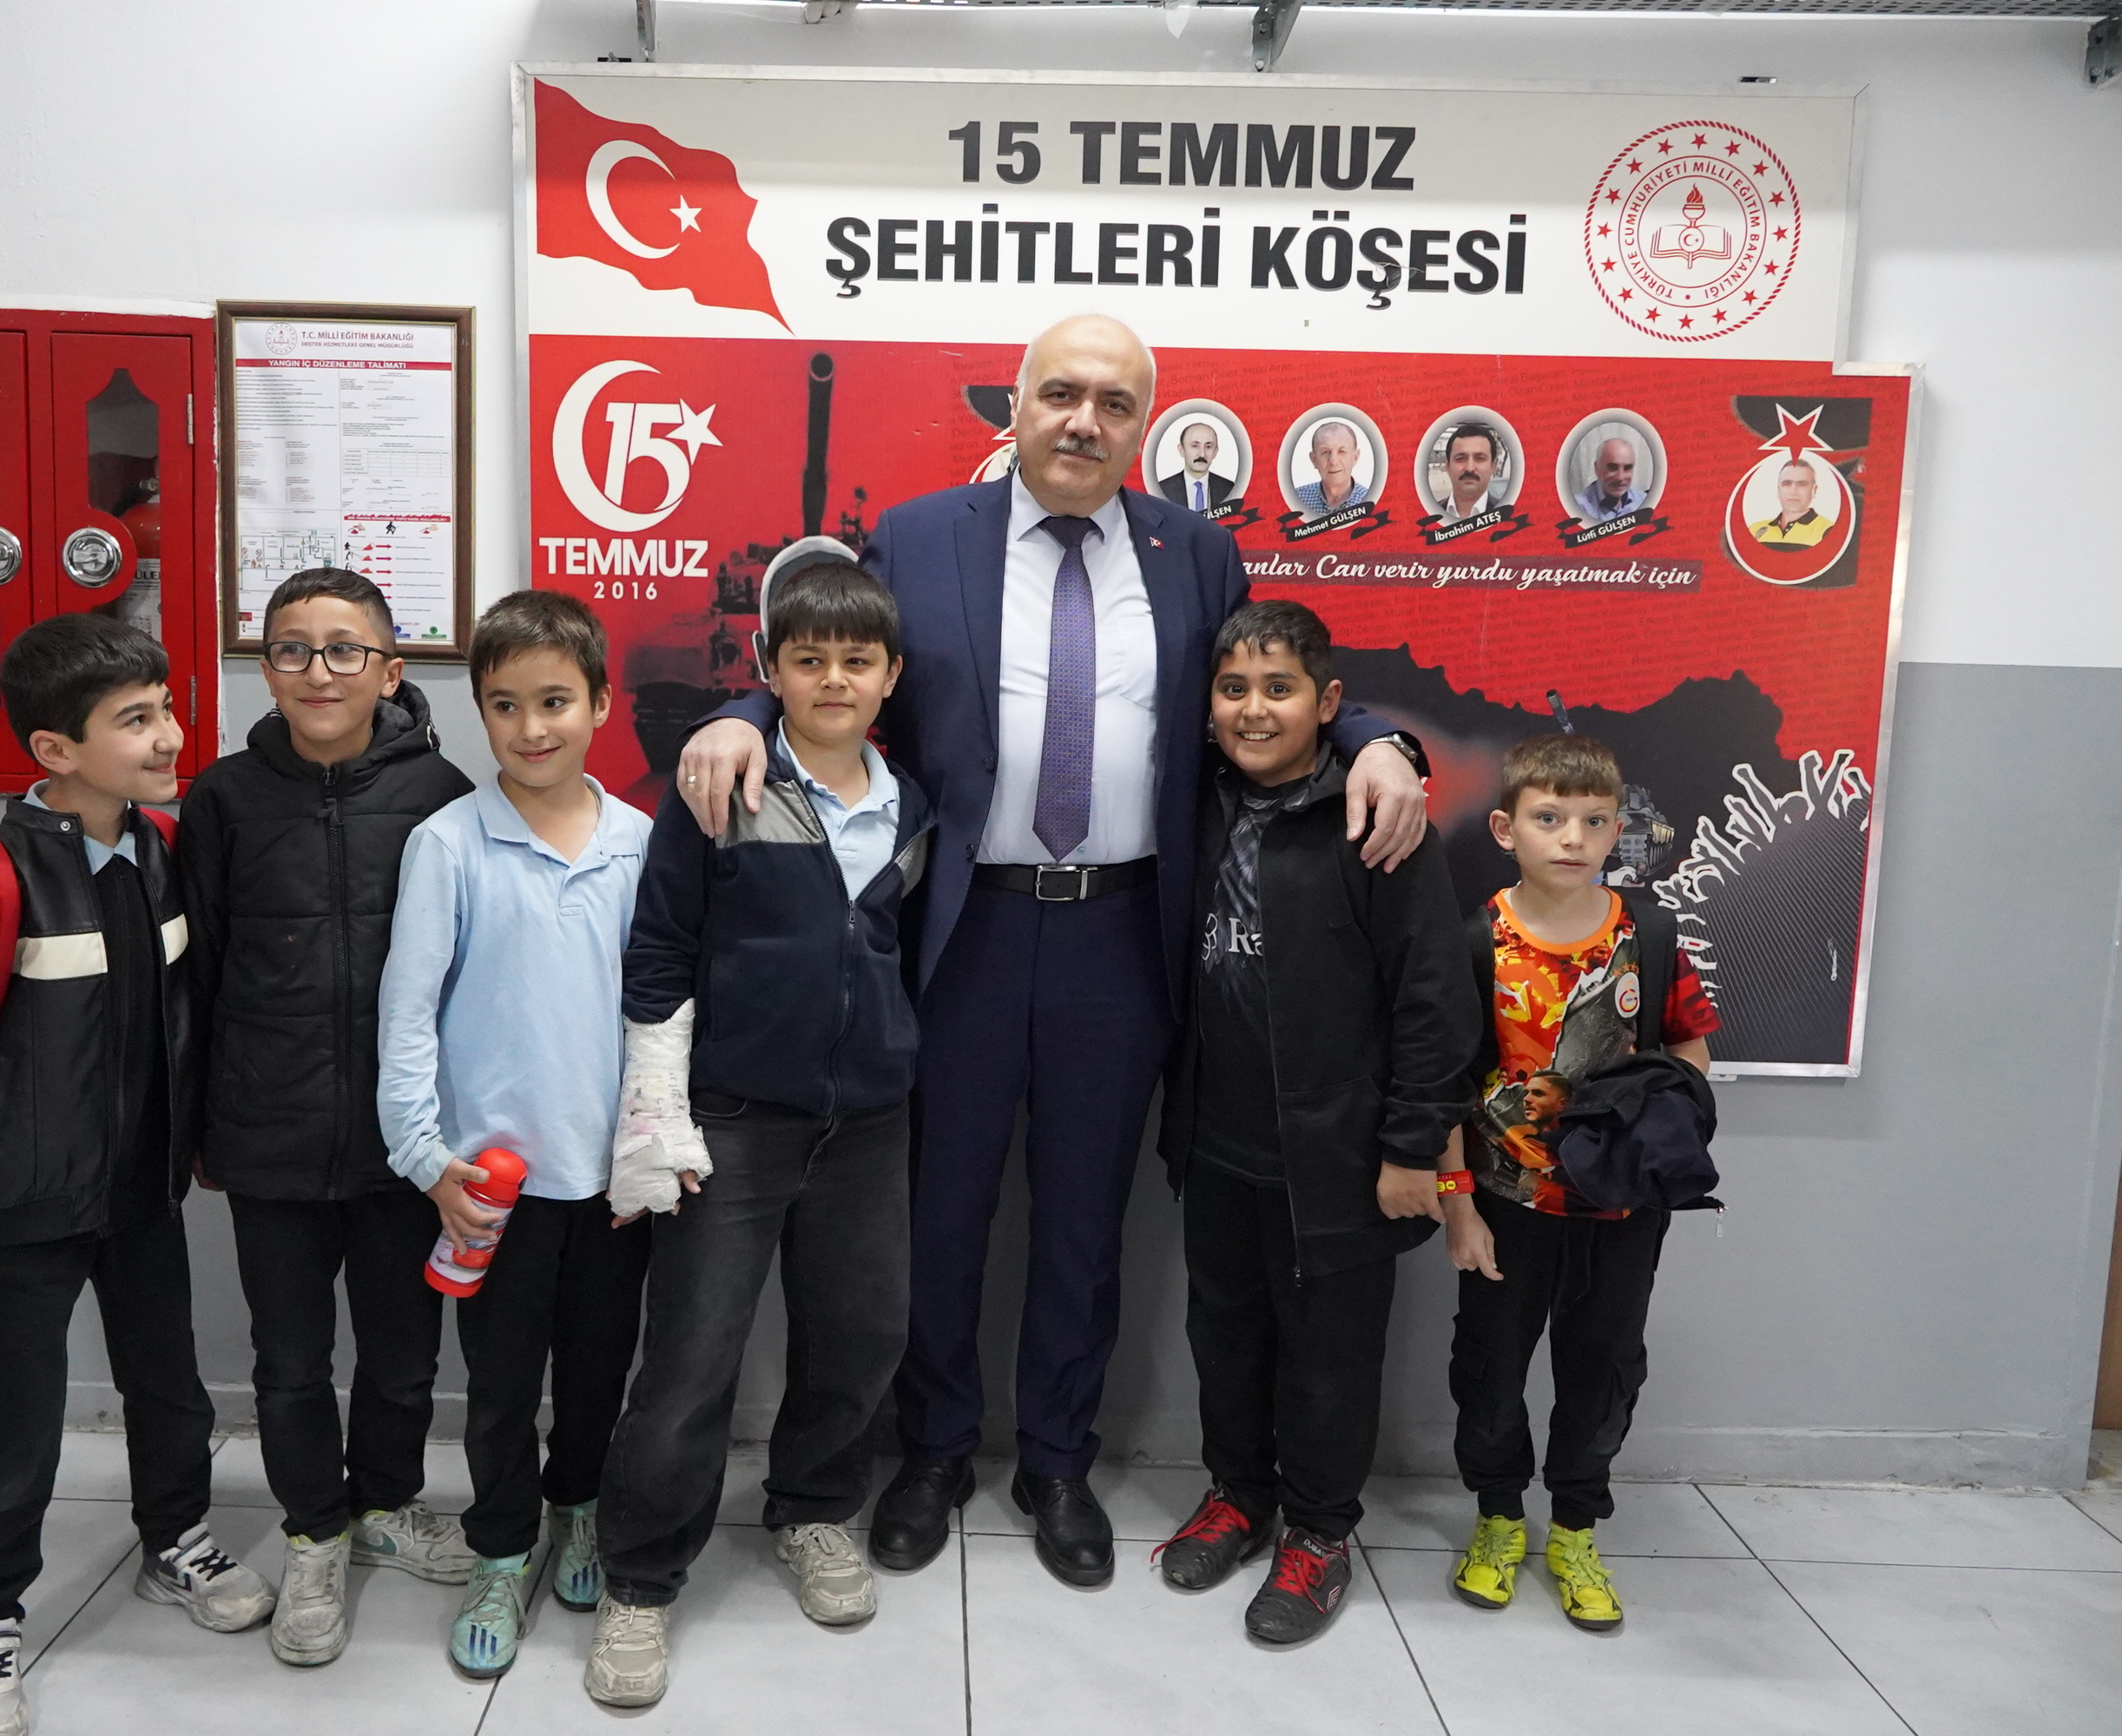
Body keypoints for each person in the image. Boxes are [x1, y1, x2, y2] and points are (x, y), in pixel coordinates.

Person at [675, 312, 1430, 1591]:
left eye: (1115, 402)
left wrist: (1373, 741)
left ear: (1144, 426)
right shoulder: (921, 535)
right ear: (1016, 406)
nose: (1086, 420)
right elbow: (833, 654)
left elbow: (1271, 686)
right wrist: (745, 713)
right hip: (964, 927)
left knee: (1085, 1216)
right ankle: (931, 1451)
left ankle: (1059, 1461)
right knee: (943, 1208)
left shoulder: (1196, 551)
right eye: (1062, 393)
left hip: (1121, 935)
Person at [0, 614, 272, 1736]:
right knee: (14, 1421)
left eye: (166, 708)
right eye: (134, 720)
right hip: (13, 1214)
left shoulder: (162, 860)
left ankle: (174, 1537)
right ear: (55, 750)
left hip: (138, 1197)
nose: (168, 736)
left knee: (169, 1384)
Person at [583, 549, 932, 1706]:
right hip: (733, 1120)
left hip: (867, 1122)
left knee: (861, 1335)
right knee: (690, 1358)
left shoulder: (913, 804)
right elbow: (659, 947)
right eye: (808, 659)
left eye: (856, 661)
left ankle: (814, 1509)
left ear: (890, 675)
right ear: (769, 669)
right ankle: (639, 1580)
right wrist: (658, 1106)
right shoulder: (718, 786)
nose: (833, 680)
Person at [1151, 601, 1479, 1645]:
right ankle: (1237, 1494)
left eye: (1278, 688)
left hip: (1337, 1157)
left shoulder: (1374, 820)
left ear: (1327, 701)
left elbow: (1433, 999)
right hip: (1216, 1141)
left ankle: (1320, 1530)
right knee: (1224, 1334)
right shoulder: (1196, 802)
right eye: (1232, 689)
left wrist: (1409, 1147)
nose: (1253, 710)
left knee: (1326, 1356)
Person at [177, 568, 476, 1667]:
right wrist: (200, 1127)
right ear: (265, 669)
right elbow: (198, 973)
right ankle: (314, 1530)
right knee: (289, 1358)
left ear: (389, 672)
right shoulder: (222, 798)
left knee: (403, 1352)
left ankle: (384, 1503)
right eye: (293, 648)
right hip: (269, 1128)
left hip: (406, 1141)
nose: (319, 669)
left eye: (345, 648)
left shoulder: (443, 790)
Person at [376, 589, 655, 1680]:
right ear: (480, 710)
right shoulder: (447, 843)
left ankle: (577, 1506)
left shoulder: (640, 843)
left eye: (554, 701)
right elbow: (406, 1016)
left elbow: (663, 1014)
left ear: (600, 702)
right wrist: (425, 1157)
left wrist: (652, 1151)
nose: (530, 727)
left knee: (596, 1369)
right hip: (489, 1186)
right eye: (504, 705)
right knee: (497, 1386)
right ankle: (500, 1548)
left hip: (612, 1182)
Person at [1441, 733, 1719, 1633]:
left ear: (1617, 830)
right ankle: (1496, 1518)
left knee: (1601, 1368)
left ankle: (1572, 1528)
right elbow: (1441, 1084)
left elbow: (1688, 1048)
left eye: (1594, 821)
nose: (1572, 838)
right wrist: (1457, 1206)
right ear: (1505, 828)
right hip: (1505, 1207)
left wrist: (1658, 1122)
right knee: (1488, 1368)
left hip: (1621, 1208)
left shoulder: (1650, 935)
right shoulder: (1474, 942)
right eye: (1549, 817)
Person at [1158, 420, 1240, 514]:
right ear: (1182, 450)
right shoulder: (1163, 490)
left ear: (1215, 452)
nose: (1202, 454)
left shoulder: (1229, 489)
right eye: (1195, 446)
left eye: (1208, 447)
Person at [1295, 419, 1372, 517]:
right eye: (1326, 452)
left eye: (1342, 452)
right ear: (1314, 460)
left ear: (1355, 457)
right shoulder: (1296, 500)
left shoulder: (1371, 502)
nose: (1333, 461)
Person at [1750, 460, 1831, 547]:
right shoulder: (1754, 529)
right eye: (1787, 484)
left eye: (1802, 484)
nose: (1793, 491)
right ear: (1778, 490)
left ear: (1814, 490)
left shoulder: (1828, 530)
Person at [1436, 423, 1503, 523]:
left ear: (1493, 467)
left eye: (1480, 458)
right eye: (1461, 458)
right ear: (1448, 466)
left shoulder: (1508, 517)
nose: (1470, 468)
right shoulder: (1430, 515)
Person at [1572, 437, 1646, 523]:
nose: (1620, 477)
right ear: (1597, 468)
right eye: (1613, 468)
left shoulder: (1644, 502)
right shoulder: (1577, 509)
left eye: (1627, 468)